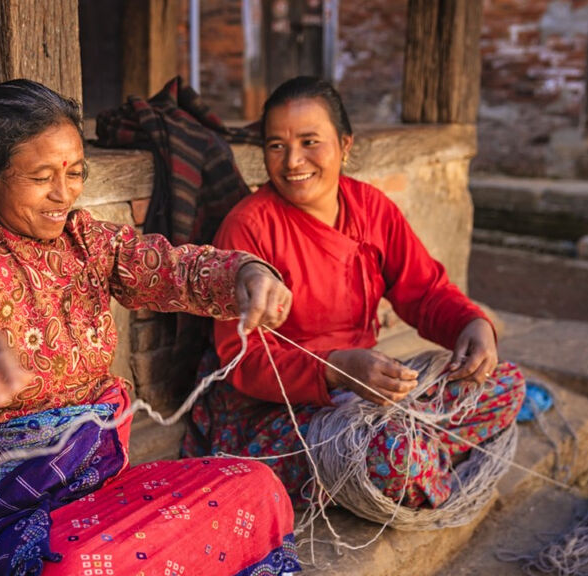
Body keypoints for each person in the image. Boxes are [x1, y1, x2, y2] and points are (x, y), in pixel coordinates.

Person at [0, 79, 301, 576]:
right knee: (77, 565)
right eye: (40, 177)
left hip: (100, 495)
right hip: (6, 519)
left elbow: (171, 268)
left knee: (257, 488)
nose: (64, 194)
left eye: (75, 173)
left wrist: (246, 273)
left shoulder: (89, 242)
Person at [182, 76, 526, 510]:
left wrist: (471, 323)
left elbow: (424, 291)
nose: (292, 161)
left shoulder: (372, 208)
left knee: (505, 383)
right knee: (393, 455)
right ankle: (417, 461)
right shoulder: (249, 226)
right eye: (275, 145)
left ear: (345, 145)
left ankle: (415, 459)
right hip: (276, 412)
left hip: (364, 393)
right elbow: (243, 359)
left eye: (310, 141)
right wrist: (335, 369)